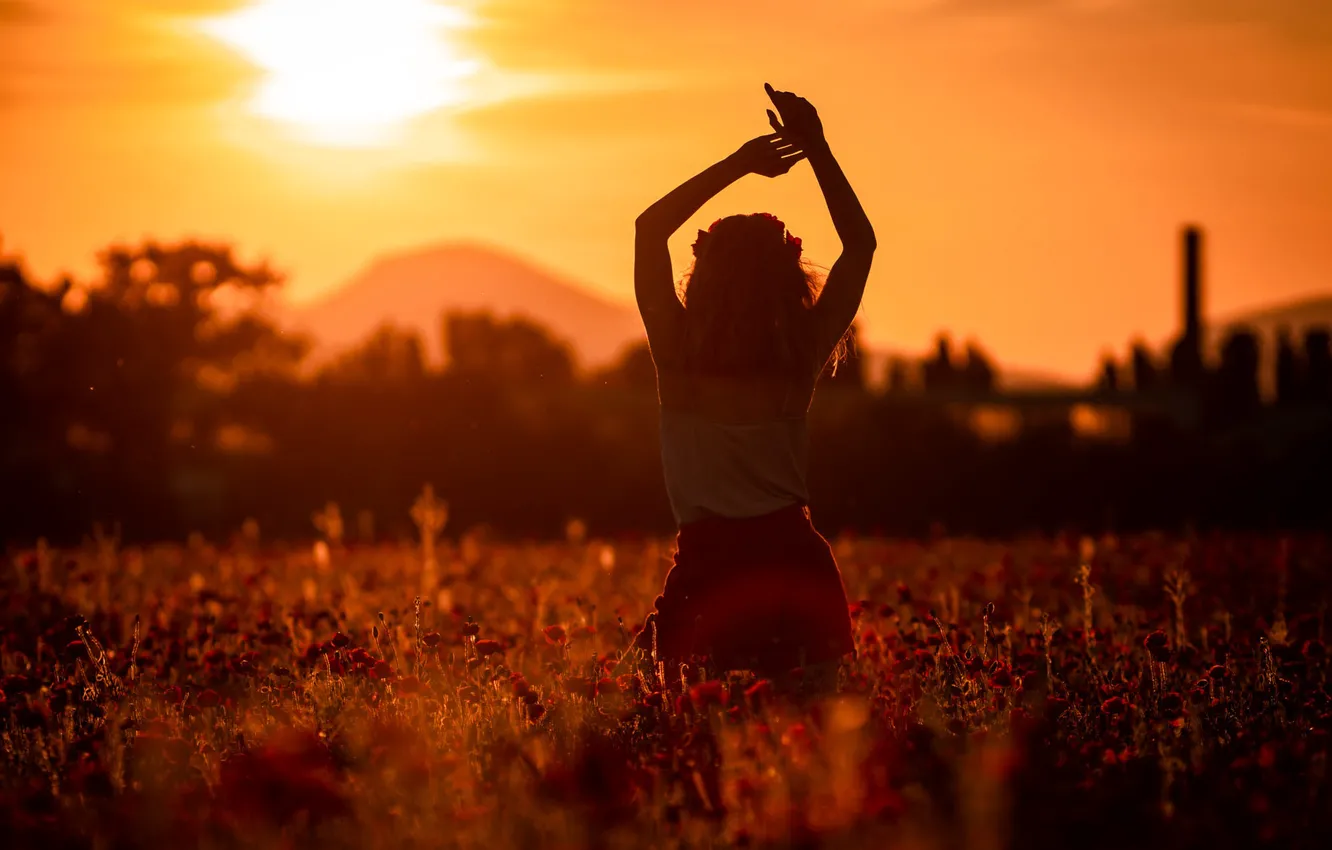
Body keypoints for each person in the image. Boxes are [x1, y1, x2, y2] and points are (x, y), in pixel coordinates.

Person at [631, 83, 876, 691]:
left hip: (707, 572)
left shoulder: (679, 362)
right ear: (788, 283)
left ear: (703, 280)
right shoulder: (797, 361)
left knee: (691, 746)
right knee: (811, 752)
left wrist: (742, 162)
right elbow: (861, 246)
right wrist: (815, 147)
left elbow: (647, 229)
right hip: (797, 570)